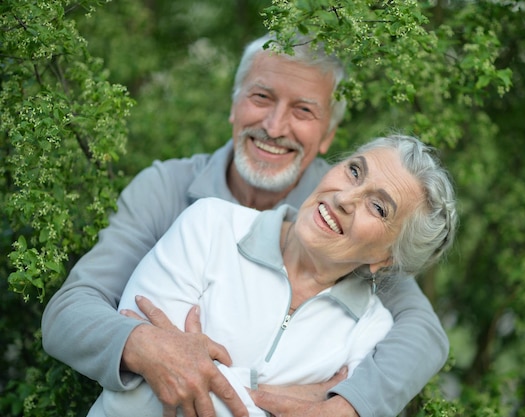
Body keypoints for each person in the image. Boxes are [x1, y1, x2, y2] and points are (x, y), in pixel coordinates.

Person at [41, 32, 451, 417]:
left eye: (303, 110)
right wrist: (148, 346)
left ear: (328, 135)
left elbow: (423, 335)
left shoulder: (347, 229)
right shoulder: (173, 192)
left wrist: (341, 405)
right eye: (260, 97)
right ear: (234, 104)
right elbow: (70, 314)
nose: (274, 127)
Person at [86, 134, 458, 417]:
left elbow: (180, 382)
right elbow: (141, 392)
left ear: (386, 259)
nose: (345, 198)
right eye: (354, 171)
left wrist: (199, 371)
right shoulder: (209, 224)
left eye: (378, 207)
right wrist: (286, 398)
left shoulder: (372, 332)